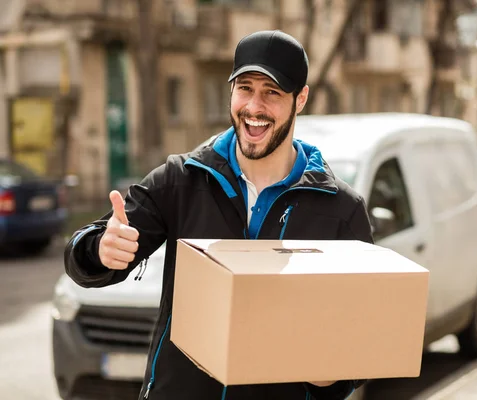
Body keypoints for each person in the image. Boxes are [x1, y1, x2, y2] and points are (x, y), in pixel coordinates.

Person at [64, 30, 373, 400]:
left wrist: (332, 377)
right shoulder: (180, 180)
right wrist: (99, 250)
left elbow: (358, 341)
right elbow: (85, 260)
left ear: (300, 99)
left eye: (272, 92)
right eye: (245, 88)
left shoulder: (341, 209)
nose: (254, 107)